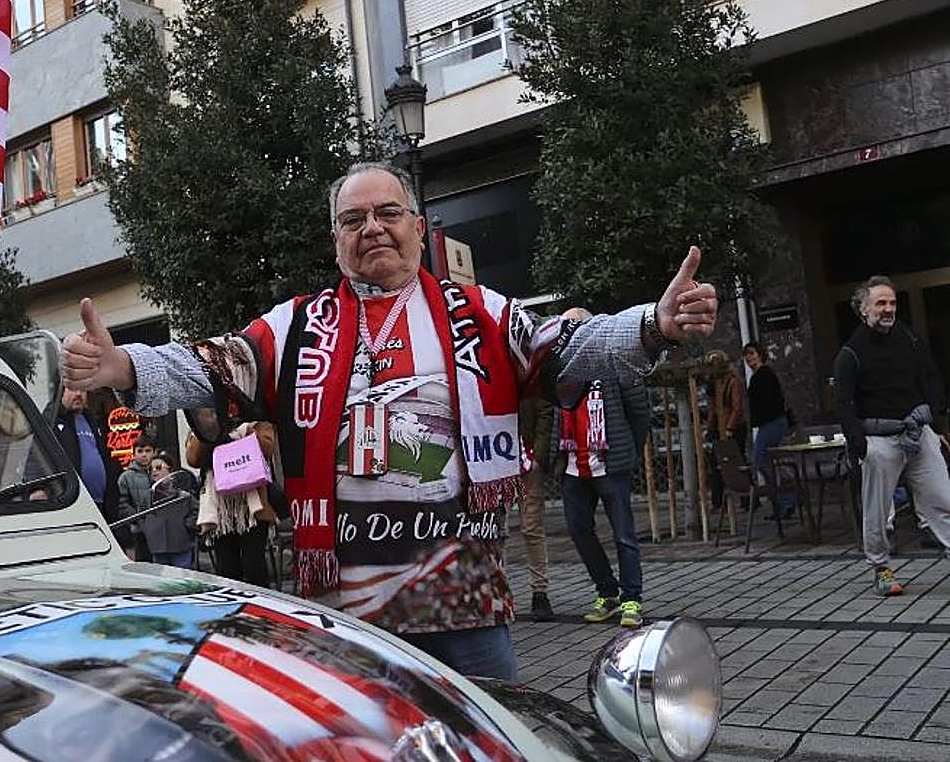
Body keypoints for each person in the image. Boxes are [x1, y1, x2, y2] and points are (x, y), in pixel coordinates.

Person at [61, 162, 719, 679]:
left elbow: (564, 347)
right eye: (354, 218)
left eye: (387, 212)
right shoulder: (297, 325)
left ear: (416, 223)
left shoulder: (477, 311)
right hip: (347, 610)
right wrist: (123, 365)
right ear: (335, 238)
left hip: (465, 598)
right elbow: (210, 364)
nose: (372, 226)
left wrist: (652, 324)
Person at [833, 274, 950, 596]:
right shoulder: (850, 354)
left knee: (943, 498)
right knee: (878, 510)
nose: (888, 309)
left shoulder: (909, 340)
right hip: (879, 441)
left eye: (892, 302)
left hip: (918, 432)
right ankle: (882, 568)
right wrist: (861, 446)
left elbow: (931, 377)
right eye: (881, 303)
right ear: (863, 309)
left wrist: (936, 425)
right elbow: (844, 403)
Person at [554, 309, 651, 628]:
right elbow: (555, 411)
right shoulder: (561, 368)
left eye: (576, 328)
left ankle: (632, 599)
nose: (571, 335)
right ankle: (607, 593)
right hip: (573, 466)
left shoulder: (614, 359)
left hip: (609, 464)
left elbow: (639, 411)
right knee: (579, 530)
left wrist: (628, 451)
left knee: (624, 535)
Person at [192, 425, 280, 588]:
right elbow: (193, 459)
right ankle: (235, 608)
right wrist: (207, 427)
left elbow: (268, 450)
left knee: (253, 566)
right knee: (227, 570)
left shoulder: (253, 416)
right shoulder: (204, 418)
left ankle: (261, 607)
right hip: (220, 507)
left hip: (253, 506)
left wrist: (248, 430)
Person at [118, 435, 200, 568]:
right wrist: (149, 530)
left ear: (170, 469)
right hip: (157, 546)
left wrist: (187, 527)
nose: (154, 472)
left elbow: (195, 510)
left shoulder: (182, 495)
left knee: (183, 577)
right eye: (151, 469)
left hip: (180, 543)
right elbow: (141, 515)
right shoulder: (147, 496)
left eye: (159, 467)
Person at [54, 387, 121, 524]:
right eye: (72, 389)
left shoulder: (92, 421)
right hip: (75, 505)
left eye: (83, 390)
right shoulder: (53, 422)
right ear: (61, 392)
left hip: (103, 506)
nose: (78, 393)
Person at [518, 395, 558, 622]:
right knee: (496, 530)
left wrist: (539, 457)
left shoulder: (526, 368)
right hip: (494, 458)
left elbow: (545, 411)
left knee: (531, 526)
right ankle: (500, 588)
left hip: (527, 457)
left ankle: (539, 592)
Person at [744, 340, 792, 518]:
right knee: (766, 460)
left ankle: (786, 498)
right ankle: (782, 501)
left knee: (761, 458)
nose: (749, 358)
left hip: (772, 422)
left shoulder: (762, 375)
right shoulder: (760, 375)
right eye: (746, 354)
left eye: (752, 353)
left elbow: (771, 400)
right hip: (770, 422)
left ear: (760, 354)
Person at [706, 348, 747, 510]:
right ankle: (718, 501)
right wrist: (709, 429)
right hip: (719, 425)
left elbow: (737, 408)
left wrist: (730, 428)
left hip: (733, 426)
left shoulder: (732, 381)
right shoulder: (712, 382)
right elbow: (712, 408)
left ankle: (747, 499)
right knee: (715, 463)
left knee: (737, 461)